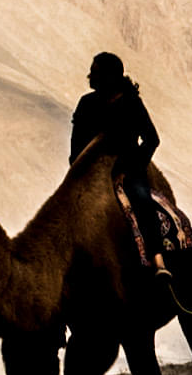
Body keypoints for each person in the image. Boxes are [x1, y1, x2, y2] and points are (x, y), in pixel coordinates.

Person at [69, 49, 171, 258]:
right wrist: (78, 168)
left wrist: (131, 166)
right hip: (90, 170)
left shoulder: (132, 104)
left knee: (141, 198)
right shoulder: (86, 103)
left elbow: (152, 139)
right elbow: (76, 144)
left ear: (109, 76)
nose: (90, 77)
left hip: (128, 170)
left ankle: (157, 258)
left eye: (95, 73)